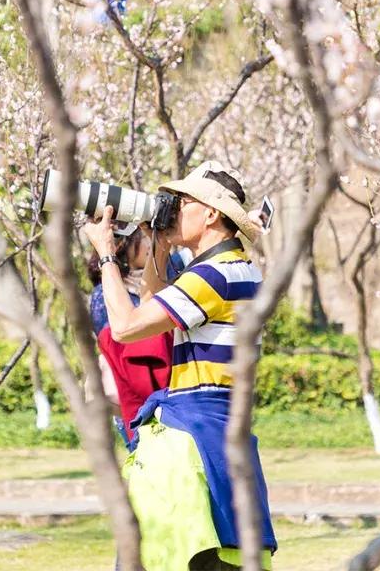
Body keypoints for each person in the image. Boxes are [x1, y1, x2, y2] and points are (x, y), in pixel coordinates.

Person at [85, 161, 276, 571]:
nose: (172, 208)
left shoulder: (211, 276)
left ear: (210, 214)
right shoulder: (239, 269)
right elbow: (158, 304)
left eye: (182, 202)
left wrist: (106, 256)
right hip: (222, 433)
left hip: (193, 439)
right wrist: (160, 246)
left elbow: (127, 326)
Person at [87, 226, 173, 444]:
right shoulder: (104, 293)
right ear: (125, 248)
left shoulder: (154, 281)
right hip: (131, 391)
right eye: (143, 241)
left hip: (160, 390)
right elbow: (115, 339)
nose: (148, 246)